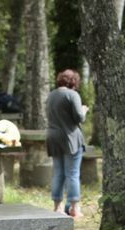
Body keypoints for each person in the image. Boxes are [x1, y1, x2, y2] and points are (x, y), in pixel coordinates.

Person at [46, 69, 88, 218]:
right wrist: (84, 110)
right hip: (70, 138)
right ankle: (74, 208)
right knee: (72, 173)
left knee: (58, 173)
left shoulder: (51, 95)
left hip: (53, 136)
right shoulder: (72, 95)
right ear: (74, 81)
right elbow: (79, 117)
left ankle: (57, 207)